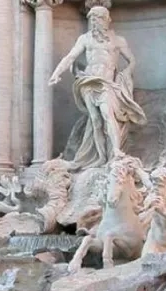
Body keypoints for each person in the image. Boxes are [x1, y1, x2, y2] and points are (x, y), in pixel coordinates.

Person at [49, 5, 147, 170]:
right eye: (92, 19)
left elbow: (131, 60)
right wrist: (56, 73)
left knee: (108, 115)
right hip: (88, 82)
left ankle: (116, 151)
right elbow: (70, 56)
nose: (95, 22)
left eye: (99, 18)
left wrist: (126, 73)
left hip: (106, 84)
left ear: (107, 20)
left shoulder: (118, 40)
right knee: (95, 120)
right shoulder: (85, 39)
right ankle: (101, 156)